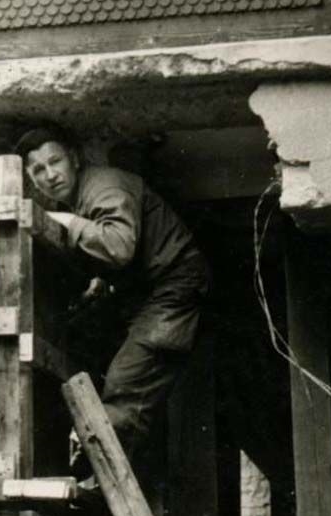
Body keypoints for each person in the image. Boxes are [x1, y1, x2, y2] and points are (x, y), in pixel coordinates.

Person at [15, 124, 210, 462]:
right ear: (31, 179)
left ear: (74, 159)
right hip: (146, 291)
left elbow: (119, 247)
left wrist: (67, 222)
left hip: (174, 284)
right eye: (38, 170)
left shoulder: (104, 185)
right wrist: (101, 280)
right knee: (81, 343)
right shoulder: (78, 197)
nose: (50, 175)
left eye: (55, 161)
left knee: (126, 381)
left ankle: (97, 475)